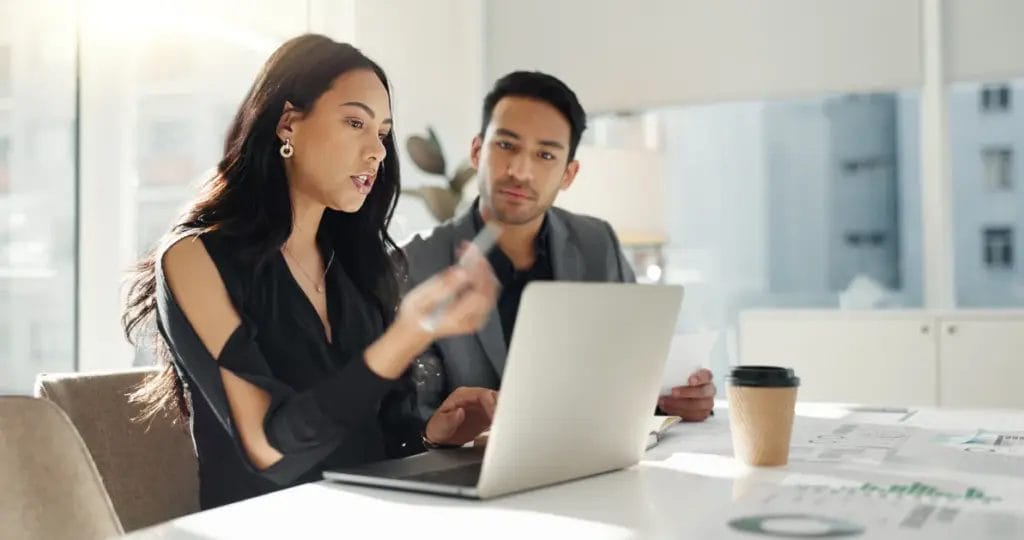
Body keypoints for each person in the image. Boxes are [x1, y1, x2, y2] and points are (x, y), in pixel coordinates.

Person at [122, 34, 499, 509]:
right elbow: (269, 448)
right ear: (287, 124)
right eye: (354, 122)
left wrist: (431, 434)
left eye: (381, 132)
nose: (377, 151)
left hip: (374, 520)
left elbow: (376, 439)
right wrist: (406, 336)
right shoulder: (193, 259)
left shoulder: (363, 268)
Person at [403, 71, 716, 422]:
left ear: (569, 174)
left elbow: (632, 368)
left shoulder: (597, 243)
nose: (521, 171)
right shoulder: (415, 263)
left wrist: (675, 397)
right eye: (506, 146)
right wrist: (439, 426)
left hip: (590, 460)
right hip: (468, 469)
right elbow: (405, 414)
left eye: (546, 156)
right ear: (477, 151)